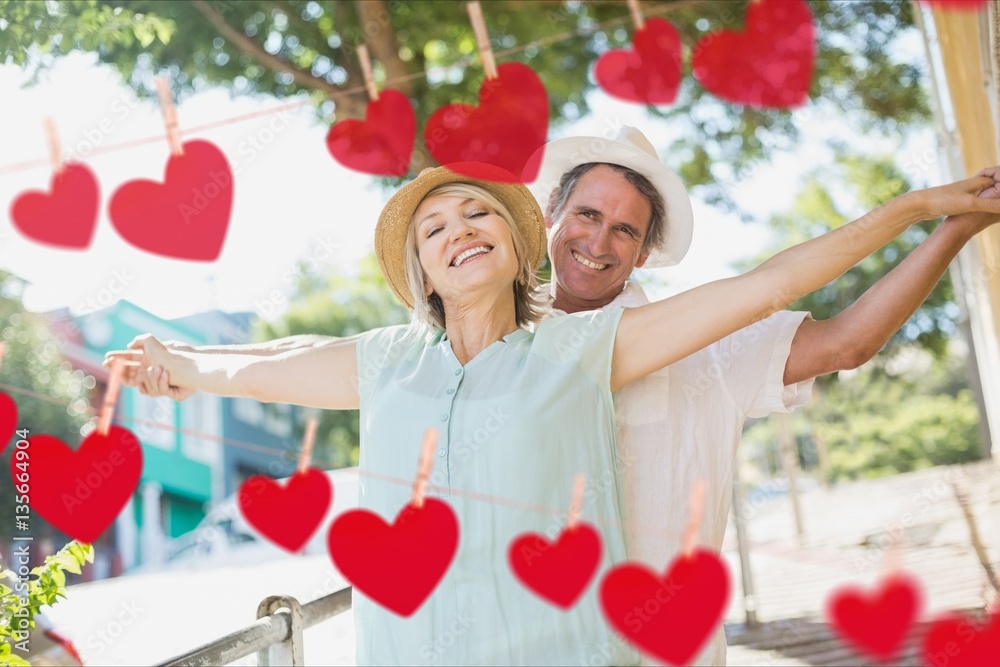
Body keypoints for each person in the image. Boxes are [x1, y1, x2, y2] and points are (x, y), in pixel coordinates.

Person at [108, 157, 1000, 666]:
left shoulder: (590, 349)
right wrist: (183, 365)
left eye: (478, 212)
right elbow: (273, 364)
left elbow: (771, 285)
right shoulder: (386, 361)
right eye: (434, 226)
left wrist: (923, 209)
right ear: (421, 271)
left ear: (514, 240)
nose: (459, 226)